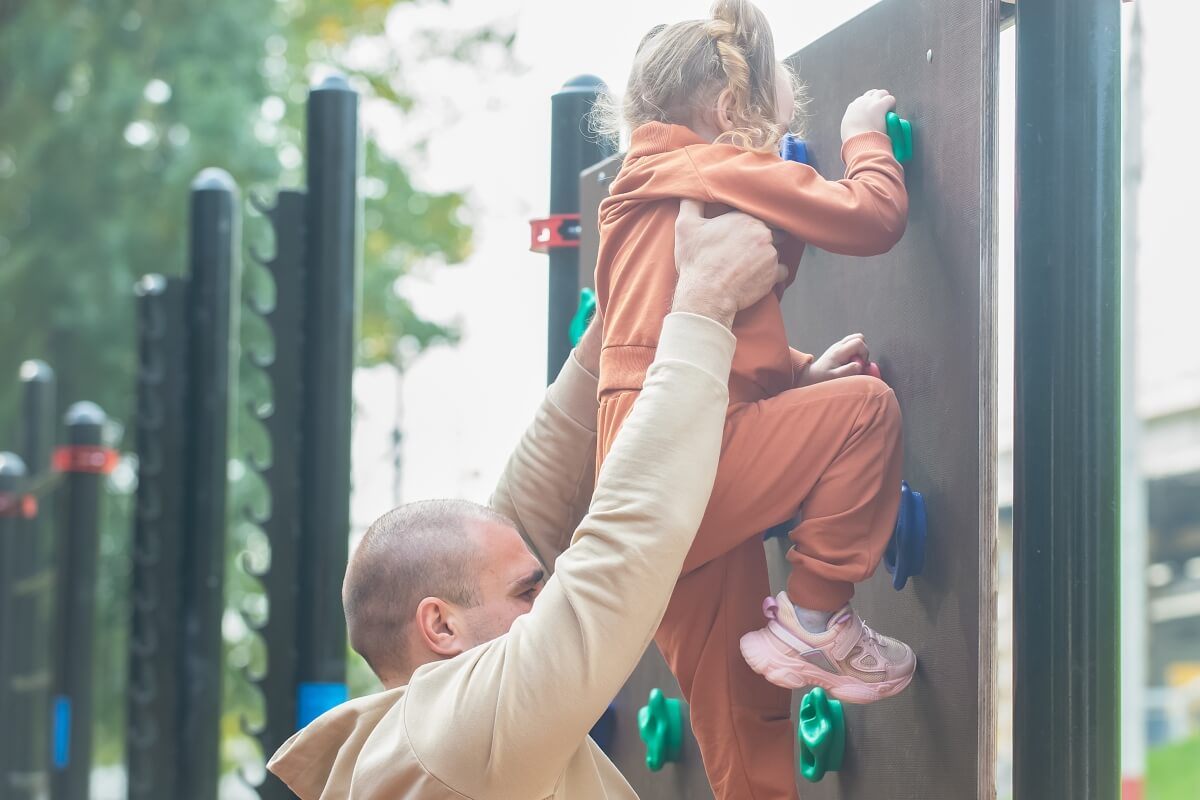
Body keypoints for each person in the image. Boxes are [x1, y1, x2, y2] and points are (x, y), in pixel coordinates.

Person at [266, 201, 787, 799]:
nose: (548, 600)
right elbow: (620, 554)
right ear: (440, 625)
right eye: (527, 593)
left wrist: (623, 320)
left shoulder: (425, 741)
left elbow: (530, 508)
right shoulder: (459, 740)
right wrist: (704, 306)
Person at [589, 1, 914, 796]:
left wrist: (795, 374)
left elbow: (656, 340)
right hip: (692, 452)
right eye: (774, 128)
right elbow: (872, 218)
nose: (774, 147)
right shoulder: (713, 165)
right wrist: (865, 136)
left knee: (744, 725)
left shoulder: (634, 193)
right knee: (866, 411)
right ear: (730, 109)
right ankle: (816, 616)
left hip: (637, 479)